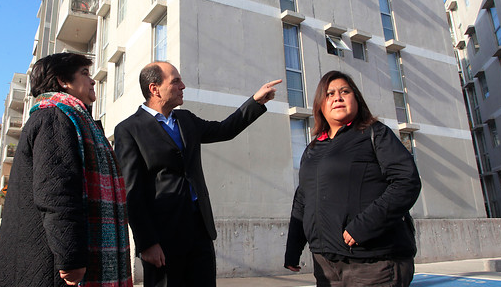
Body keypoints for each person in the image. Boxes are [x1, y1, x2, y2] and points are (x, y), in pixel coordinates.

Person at [114, 61, 281, 287]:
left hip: (200, 232)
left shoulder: (186, 120)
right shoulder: (128, 130)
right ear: (154, 89)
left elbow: (225, 129)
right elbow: (131, 192)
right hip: (163, 239)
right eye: (176, 81)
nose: (183, 86)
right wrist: (146, 243)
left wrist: (256, 101)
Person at [0, 53, 132, 287]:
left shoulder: (72, 119)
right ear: (63, 81)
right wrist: (71, 257)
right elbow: (56, 193)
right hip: (51, 264)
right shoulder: (53, 118)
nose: (92, 80)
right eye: (84, 73)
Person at [284, 70, 421, 287]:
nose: (337, 98)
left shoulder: (375, 133)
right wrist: (293, 248)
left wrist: (364, 226)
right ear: (320, 105)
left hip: (373, 264)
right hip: (326, 265)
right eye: (329, 94)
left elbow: (406, 181)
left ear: (356, 99)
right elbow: (302, 198)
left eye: (345, 92)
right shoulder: (313, 148)